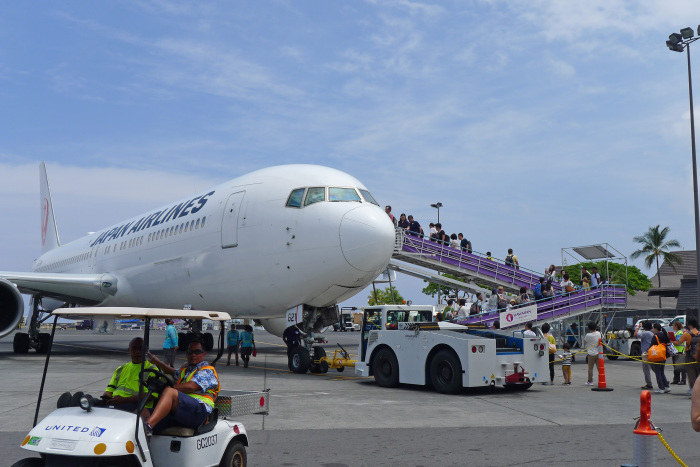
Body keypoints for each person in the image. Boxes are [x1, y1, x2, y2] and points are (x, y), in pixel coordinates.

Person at [144, 338, 220, 434]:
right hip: (184, 410)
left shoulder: (207, 371)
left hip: (200, 411)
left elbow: (192, 386)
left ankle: (148, 426)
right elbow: (171, 371)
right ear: (186, 354)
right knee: (142, 411)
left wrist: (163, 388)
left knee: (169, 391)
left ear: (204, 354)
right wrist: (157, 362)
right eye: (190, 352)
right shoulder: (186, 369)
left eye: (197, 352)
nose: (193, 355)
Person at [103, 337, 156, 412]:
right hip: (116, 403)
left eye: (140, 349)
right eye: (134, 349)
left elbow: (152, 395)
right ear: (129, 351)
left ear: (146, 350)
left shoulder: (152, 370)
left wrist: (124, 400)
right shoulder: (120, 369)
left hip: (136, 406)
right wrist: (106, 398)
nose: (137, 352)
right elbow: (109, 390)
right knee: (89, 402)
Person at [681, 318, 700, 396]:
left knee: (691, 373)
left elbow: (679, 342)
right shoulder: (699, 333)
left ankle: (692, 390)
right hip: (698, 355)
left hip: (689, 356)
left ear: (690, 325)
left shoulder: (687, 334)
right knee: (698, 373)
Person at [650, 323, 671, 393]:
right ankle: (667, 387)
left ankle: (661, 388)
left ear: (655, 328)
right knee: (662, 372)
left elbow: (651, 345)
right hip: (664, 355)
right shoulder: (664, 334)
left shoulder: (655, 336)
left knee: (658, 372)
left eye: (653, 328)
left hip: (657, 355)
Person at [635, 320, 655, 390]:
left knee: (646, 369)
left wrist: (638, 327)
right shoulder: (652, 333)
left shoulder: (646, 333)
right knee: (655, 368)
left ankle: (649, 384)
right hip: (652, 352)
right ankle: (663, 381)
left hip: (646, 353)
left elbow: (636, 335)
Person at [584, 322, 601, 386]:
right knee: (599, 368)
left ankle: (590, 381)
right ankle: (601, 379)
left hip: (591, 353)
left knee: (590, 368)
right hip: (598, 352)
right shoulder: (599, 333)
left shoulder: (588, 335)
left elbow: (586, 341)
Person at [671, 321, 687, 386]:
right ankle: (676, 379)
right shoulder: (677, 332)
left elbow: (678, 342)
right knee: (676, 366)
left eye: (673, 325)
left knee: (681, 366)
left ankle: (683, 380)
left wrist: (671, 341)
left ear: (676, 326)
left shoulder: (680, 333)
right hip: (676, 351)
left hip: (679, 351)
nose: (672, 326)